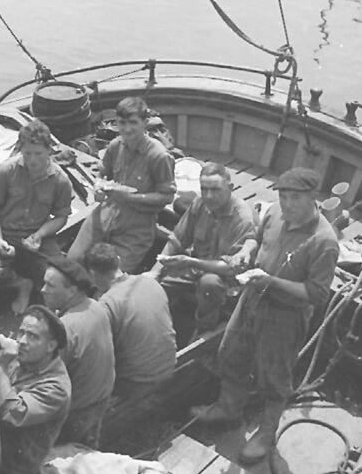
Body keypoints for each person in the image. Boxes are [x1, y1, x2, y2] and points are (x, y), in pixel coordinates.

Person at [190, 167, 340, 464]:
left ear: (313, 197)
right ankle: (229, 407)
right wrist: (247, 252)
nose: (287, 204)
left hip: (285, 315)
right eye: (283, 196)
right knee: (230, 353)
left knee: (274, 379)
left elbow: (316, 294)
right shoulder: (273, 213)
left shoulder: (324, 241)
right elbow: (255, 238)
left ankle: (267, 434)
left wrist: (272, 281)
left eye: (295, 197)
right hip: (252, 299)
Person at [68, 96, 176, 273]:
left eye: (133, 123)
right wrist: (98, 186)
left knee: (112, 277)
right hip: (105, 213)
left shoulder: (159, 156)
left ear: (145, 123)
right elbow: (103, 173)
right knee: (72, 262)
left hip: (137, 226)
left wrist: (132, 197)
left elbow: (167, 196)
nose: (127, 129)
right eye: (122, 123)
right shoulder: (115, 145)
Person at [150, 162, 257, 335]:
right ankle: (153, 324)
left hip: (225, 278)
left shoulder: (243, 219)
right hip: (195, 265)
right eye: (204, 189)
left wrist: (190, 262)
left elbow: (231, 268)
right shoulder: (199, 203)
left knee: (209, 283)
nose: (209, 196)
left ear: (230, 188)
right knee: (158, 284)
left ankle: (204, 330)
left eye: (215, 190)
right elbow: (177, 240)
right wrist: (155, 271)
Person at [0, 119, 73, 314]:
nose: (32, 160)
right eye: (27, 153)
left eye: (38, 154)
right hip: (4, 232)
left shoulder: (61, 181)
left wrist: (40, 235)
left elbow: (61, 217)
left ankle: (53, 310)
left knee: (58, 275)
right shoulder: (6, 171)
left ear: (49, 150)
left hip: (37, 235)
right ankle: (22, 285)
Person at [0, 305, 71, 474]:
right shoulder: (25, 356)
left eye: (33, 336)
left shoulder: (56, 388)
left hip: (11, 467)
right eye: (21, 332)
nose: (22, 341)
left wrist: (1, 366)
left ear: (51, 346)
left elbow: (11, 415)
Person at [85, 243, 177, 406]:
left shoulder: (106, 305)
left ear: (92, 274)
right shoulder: (150, 282)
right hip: (169, 366)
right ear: (118, 261)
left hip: (136, 382)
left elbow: (98, 358)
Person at [42, 256, 115, 446]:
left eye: (50, 286)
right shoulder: (95, 306)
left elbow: (42, 380)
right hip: (100, 399)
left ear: (72, 291)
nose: (43, 290)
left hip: (77, 412)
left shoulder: (64, 329)